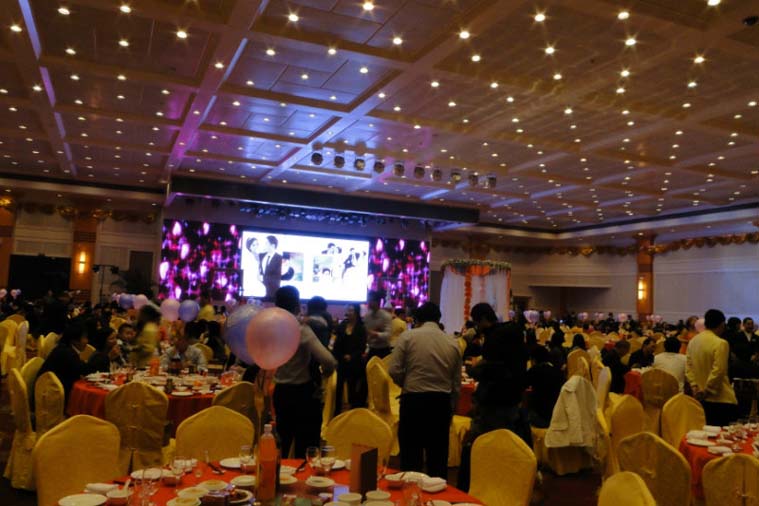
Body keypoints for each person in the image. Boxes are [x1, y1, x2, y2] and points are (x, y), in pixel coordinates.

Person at [458, 303, 529, 491]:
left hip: (493, 400)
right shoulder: (513, 333)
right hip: (512, 398)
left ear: (483, 319)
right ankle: (502, 483)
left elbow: (492, 370)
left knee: (479, 443)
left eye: (476, 322)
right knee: (504, 443)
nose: (476, 327)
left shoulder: (495, 338)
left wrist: (474, 371)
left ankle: (476, 485)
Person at [388, 302, 461, 479]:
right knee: (438, 459)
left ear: (418, 319)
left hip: (413, 401)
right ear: (438, 319)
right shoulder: (452, 343)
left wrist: (406, 383)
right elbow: (456, 383)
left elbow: (394, 369)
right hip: (440, 403)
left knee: (410, 457)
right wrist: (451, 408)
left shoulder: (408, 337)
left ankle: (409, 492)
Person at [272, 286, 336, 458]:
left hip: (280, 392)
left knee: (282, 443)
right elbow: (328, 361)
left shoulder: (270, 328)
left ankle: (280, 473)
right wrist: (325, 375)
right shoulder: (300, 329)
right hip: (303, 394)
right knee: (306, 446)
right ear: (297, 305)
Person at [686, 309, 738, 426]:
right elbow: (719, 371)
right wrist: (707, 390)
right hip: (720, 398)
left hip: (699, 397)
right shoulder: (721, 343)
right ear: (722, 324)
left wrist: (695, 387)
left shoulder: (693, 342)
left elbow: (689, 368)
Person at [37, 321, 93, 402]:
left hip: (49, 389)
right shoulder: (67, 353)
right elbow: (83, 370)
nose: (87, 341)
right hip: (49, 396)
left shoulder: (64, 348)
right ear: (74, 340)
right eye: (84, 338)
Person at [332, 303, 368, 413]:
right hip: (341, 360)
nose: (349, 312)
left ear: (356, 312)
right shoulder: (342, 325)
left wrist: (352, 356)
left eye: (351, 310)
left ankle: (352, 411)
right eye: (348, 310)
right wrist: (340, 355)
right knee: (338, 387)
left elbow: (362, 347)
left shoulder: (361, 328)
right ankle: (337, 411)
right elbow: (336, 344)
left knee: (352, 386)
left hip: (354, 362)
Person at [526, 346, 564, 428]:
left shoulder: (534, 370)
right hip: (558, 416)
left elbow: (524, 385)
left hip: (540, 417)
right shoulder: (558, 371)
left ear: (534, 359)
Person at [364, 291, 392, 358]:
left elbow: (388, 335)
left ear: (377, 302)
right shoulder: (367, 316)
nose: (368, 303)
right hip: (371, 349)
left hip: (384, 350)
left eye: (370, 300)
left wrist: (375, 334)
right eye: (368, 300)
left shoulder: (386, 316)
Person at [259, 235, 283, 300]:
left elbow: (278, 277)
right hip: (262, 293)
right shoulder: (262, 256)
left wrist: (263, 278)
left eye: (266, 243)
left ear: (273, 245)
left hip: (274, 294)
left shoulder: (280, 258)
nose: (264, 245)